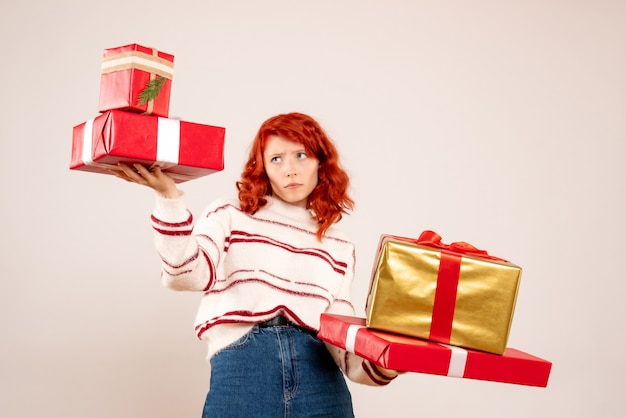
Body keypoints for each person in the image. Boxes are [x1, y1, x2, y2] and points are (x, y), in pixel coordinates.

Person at [115, 112, 400, 417]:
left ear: (321, 162)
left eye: (301, 155)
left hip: (320, 376)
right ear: (263, 167)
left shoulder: (339, 245)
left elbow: (343, 350)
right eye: (276, 159)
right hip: (245, 367)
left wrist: (391, 359)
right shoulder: (230, 216)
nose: (290, 170)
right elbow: (183, 275)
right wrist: (169, 197)